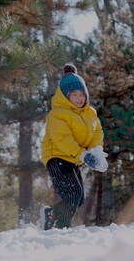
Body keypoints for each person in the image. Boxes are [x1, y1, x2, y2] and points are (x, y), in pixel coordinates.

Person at [40, 63, 108, 230]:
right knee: (72, 194)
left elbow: (97, 131)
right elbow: (62, 140)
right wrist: (84, 155)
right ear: (64, 96)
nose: (79, 98)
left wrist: (96, 150)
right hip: (57, 157)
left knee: (79, 198)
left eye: (82, 94)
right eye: (74, 94)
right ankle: (60, 228)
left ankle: (51, 214)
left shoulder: (90, 113)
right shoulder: (57, 114)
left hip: (74, 158)